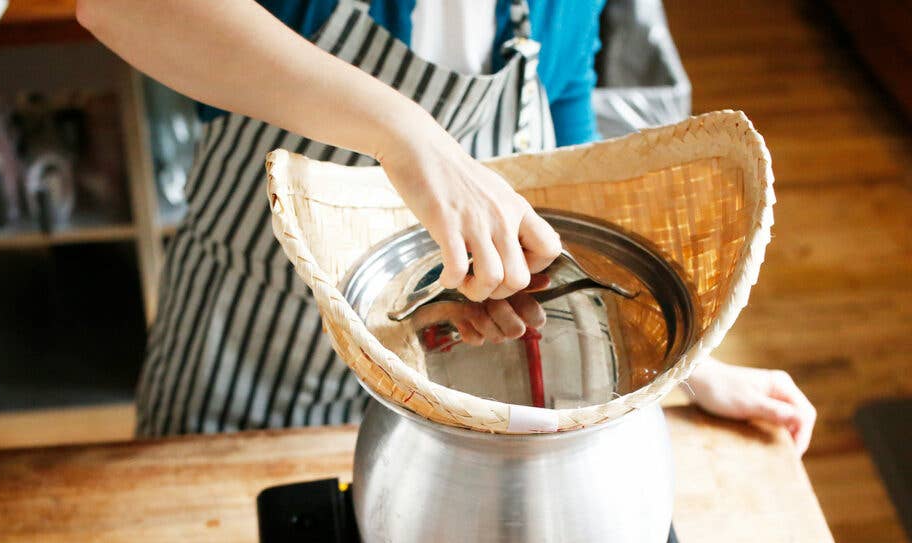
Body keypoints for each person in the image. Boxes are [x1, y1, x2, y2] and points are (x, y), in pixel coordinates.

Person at [77, 0, 816, 454]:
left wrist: (685, 372)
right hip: (243, 358)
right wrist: (406, 135)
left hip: (452, 392)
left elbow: (563, 103)